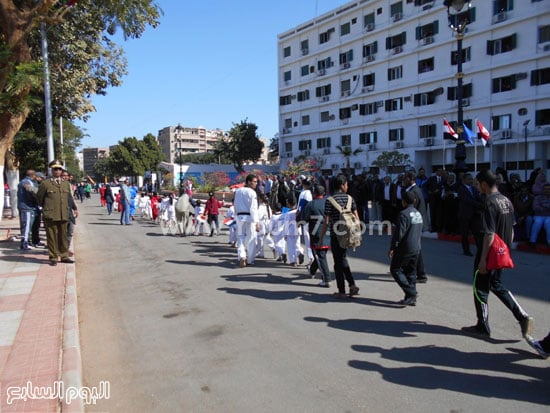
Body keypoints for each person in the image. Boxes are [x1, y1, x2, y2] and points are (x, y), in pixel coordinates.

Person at [463, 169, 534, 338]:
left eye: (478, 184)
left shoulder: (489, 202)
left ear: (485, 184)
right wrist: (506, 251)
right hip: (502, 250)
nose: (477, 188)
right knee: (497, 285)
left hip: (489, 251)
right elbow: (511, 231)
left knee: (480, 288)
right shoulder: (506, 200)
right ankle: (521, 315)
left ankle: (482, 324)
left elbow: (489, 233)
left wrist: (482, 259)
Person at [318, 174, 360, 298]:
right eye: (346, 184)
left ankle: (343, 290)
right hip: (348, 235)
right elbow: (356, 219)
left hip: (336, 235)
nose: (347, 186)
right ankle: (352, 285)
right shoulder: (350, 199)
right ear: (342, 185)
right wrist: (358, 236)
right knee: (342, 259)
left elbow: (326, 221)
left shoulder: (329, 200)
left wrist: (321, 239)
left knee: (338, 262)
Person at [36, 160, 76, 266]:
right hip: (51, 214)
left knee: (63, 236)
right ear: (52, 170)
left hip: (63, 213)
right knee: (52, 236)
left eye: (59, 169)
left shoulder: (66, 184)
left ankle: (64, 256)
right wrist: (46, 208)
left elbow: (69, 198)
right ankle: (53, 257)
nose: (57, 171)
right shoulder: (46, 183)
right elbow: (39, 198)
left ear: (61, 171)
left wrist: (74, 208)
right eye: (55, 169)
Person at [388, 191, 423, 306]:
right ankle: (410, 298)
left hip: (405, 248)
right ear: (414, 201)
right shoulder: (418, 213)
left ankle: (411, 292)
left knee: (395, 269)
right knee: (411, 272)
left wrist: (393, 247)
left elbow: (399, 234)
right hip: (416, 247)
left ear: (403, 201)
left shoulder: (403, 214)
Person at [301, 184, 332, 287]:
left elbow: (304, 219)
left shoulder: (311, 204)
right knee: (320, 254)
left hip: (316, 233)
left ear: (314, 193)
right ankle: (312, 270)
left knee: (320, 256)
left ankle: (326, 279)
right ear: (324, 193)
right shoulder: (328, 202)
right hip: (329, 231)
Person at [402, 172, 429, 283]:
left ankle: (421, 274)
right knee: (414, 248)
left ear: (411, 179)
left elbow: (414, 210)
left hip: (414, 223)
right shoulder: (415, 189)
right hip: (416, 222)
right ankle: (414, 271)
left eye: (405, 178)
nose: (403, 180)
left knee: (415, 249)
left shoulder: (414, 192)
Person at [233, 174, 260, 268]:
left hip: (240, 216)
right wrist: (256, 222)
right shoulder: (252, 192)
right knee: (251, 238)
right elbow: (254, 208)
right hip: (249, 217)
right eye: (255, 181)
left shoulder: (238, 191)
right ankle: (250, 260)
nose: (256, 184)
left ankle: (242, 256)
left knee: (240, 238)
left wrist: (236, 216)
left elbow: (235, 205)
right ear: (249, 182)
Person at [457, 173, 483, 256]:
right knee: (464, 234)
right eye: (469, 179)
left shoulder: (474, 189)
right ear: (464, 180)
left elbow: (478, 198)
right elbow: (466, 200)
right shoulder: (461, 189)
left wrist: (482, 204)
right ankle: (466, 250)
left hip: (475, 214)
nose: (471, 181)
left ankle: (481, 250)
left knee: (477, 233)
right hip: (465, 214)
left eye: (471, 179)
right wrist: (478, 204)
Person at [17, 169, 37, 250]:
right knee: (27, 226)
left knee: (25, 226)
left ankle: (26, 242)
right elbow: (32, 192)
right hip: (27, 207)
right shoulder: (27, 182)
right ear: (33, 175)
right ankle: (25, 243)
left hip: (25, 206)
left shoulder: (23, 181)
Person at [62, 170, 78, 256]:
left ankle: (66, 248)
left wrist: (75, 208)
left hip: (69, 211)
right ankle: (62, 250)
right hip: (61, 211)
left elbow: (70, 198)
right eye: (63, 175)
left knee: (70, 230)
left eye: (66, 176)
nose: (64, 177)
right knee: (62, 232)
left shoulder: (68, 185)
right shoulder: (58, 185)